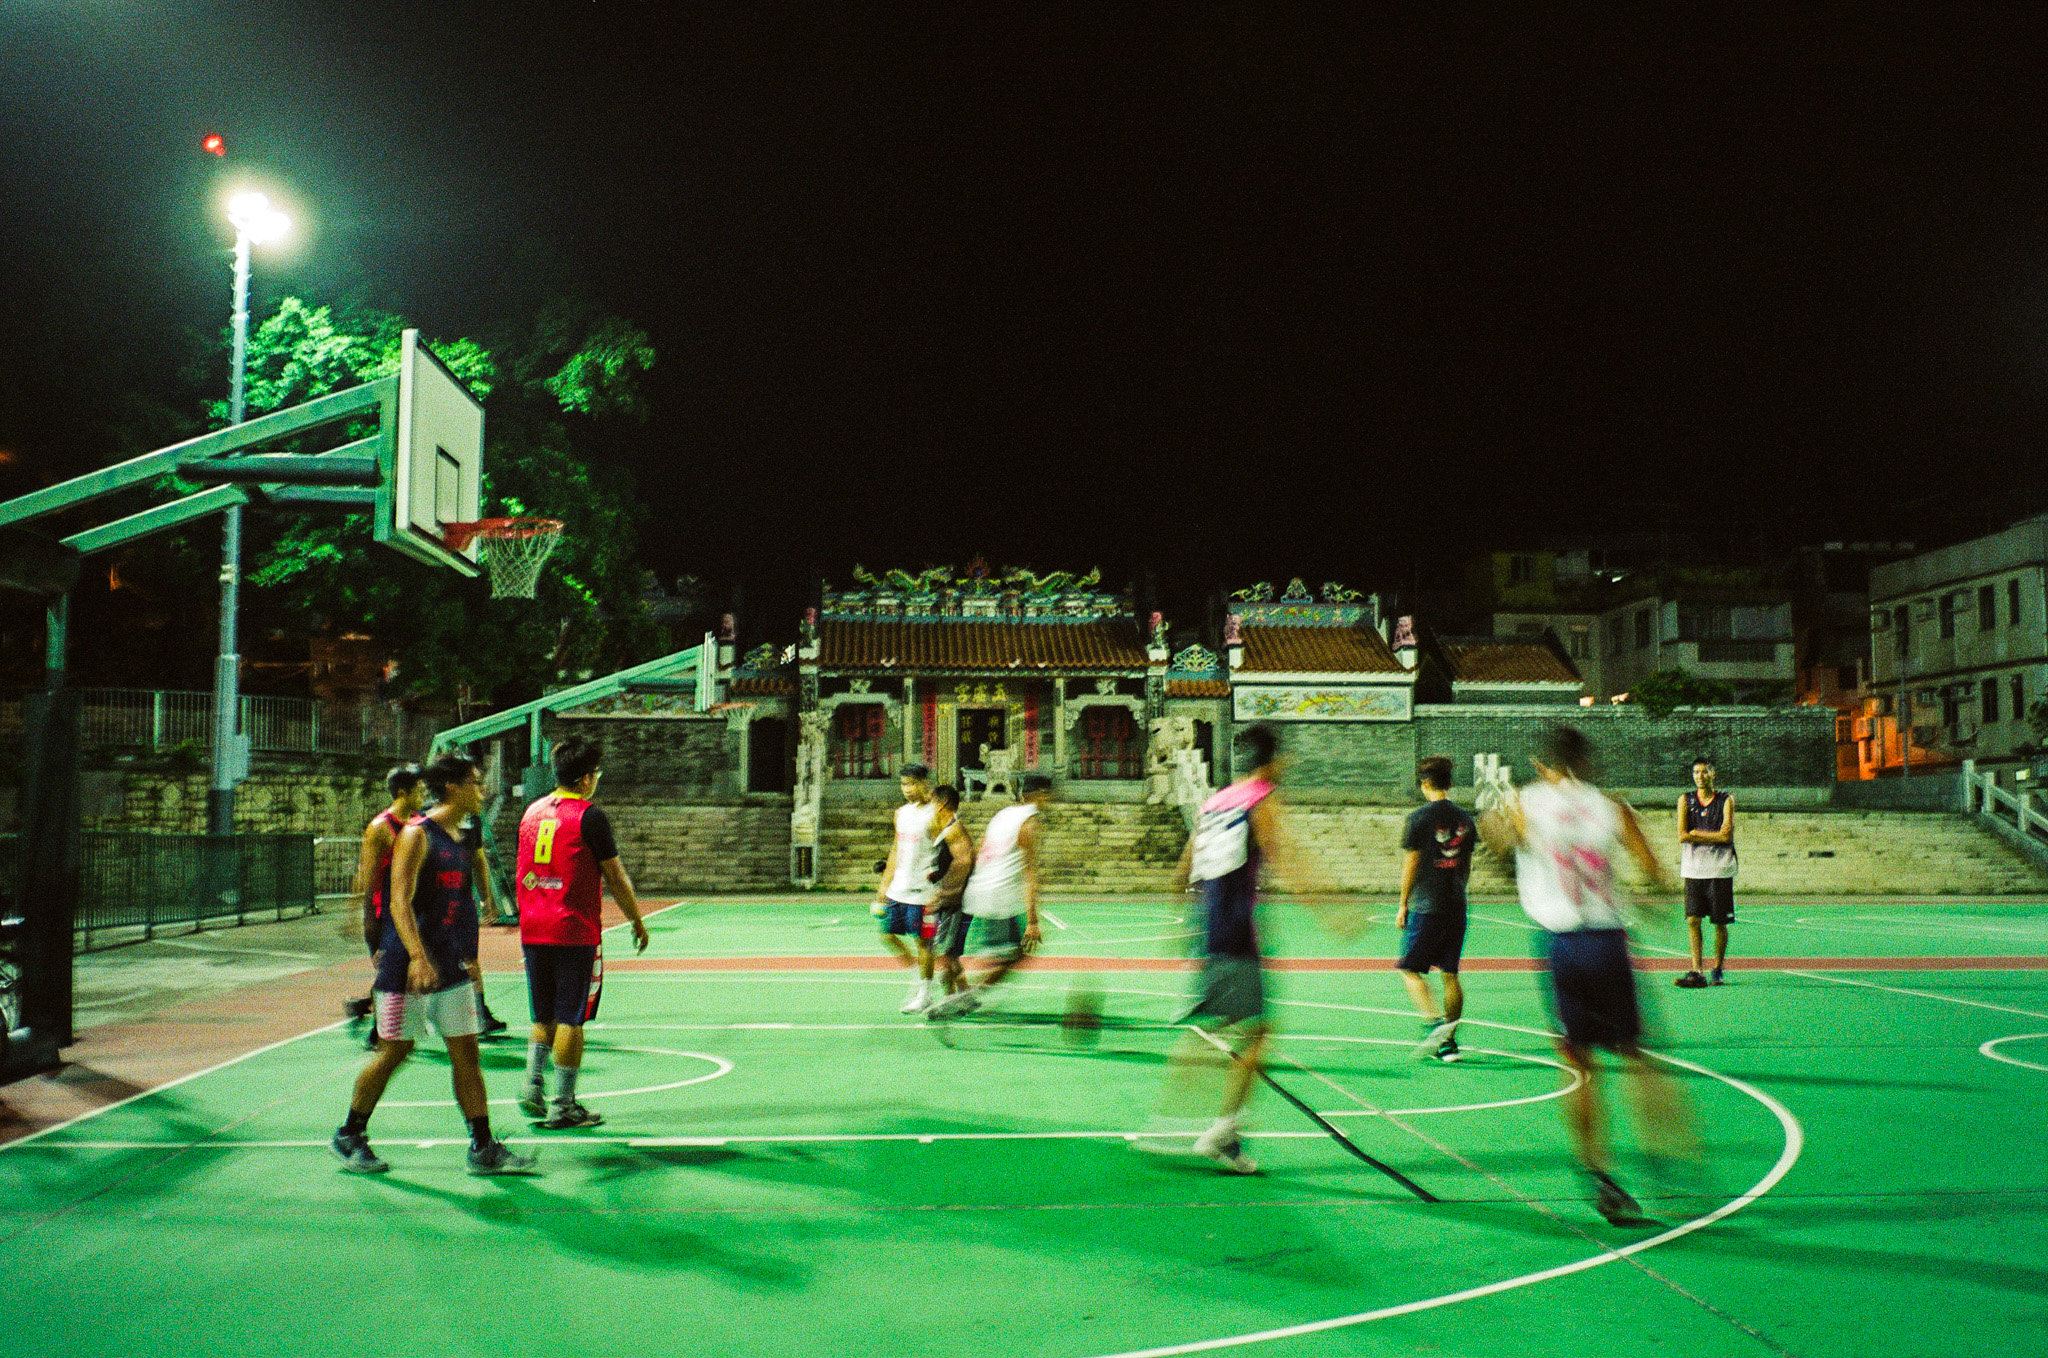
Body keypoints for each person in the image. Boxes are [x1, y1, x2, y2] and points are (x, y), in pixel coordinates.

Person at [1479, 725, 1691, 1223]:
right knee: (1637, 1057)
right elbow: (1656, 874)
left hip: (1562, 941)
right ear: (1586, 762)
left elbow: (1496, 841)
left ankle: (1599, 1174)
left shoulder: (1524, 803)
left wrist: (1504, 834)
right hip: (1608, 936)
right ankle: (1668, 1157)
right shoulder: (1611, 806)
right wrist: (1642, 897)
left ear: (1542, 764)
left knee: (1580, 1065)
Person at [1159, 724, 1352, 1175]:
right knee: (1258, 1030)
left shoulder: (1216, 801)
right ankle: (1223, 1132)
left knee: (1216, 1027)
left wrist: (1182, 916)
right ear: (1275, 761)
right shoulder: (1260, 799)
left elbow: (1186, 863)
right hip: (1237, 930)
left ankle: (1176, 1126)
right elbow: (1284, 858)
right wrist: (1329, 908)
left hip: (1213, 926)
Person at [330, 753, 536, 1176]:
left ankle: (482, 1146)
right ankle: (349, 1134)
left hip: (447, 963)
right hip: (407, 966)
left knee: (467, 1052)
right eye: (476, 783)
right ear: (455, 788)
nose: (482, 791)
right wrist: (417, 957)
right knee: (395, 1052)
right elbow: (398, 901)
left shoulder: (461, 837)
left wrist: (467, 940)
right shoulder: (416, 835)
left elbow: (453, 902)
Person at [514, 736, 652, 1130]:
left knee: (542, 1014)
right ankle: (564, 1103)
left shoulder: (531, 813)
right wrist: (637, 919)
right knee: (572, 1018)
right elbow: (616, 875)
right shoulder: (589, 816)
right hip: (572, 928)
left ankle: (531, 1086)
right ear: (587, 777)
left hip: (534, 926)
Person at [927, 774, 1051, 1019]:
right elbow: (1030, 874)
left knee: (998, 955)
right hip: (998, 897)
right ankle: (963, 997)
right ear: (1038, 795)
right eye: (1047, 795)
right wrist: (1033, 920)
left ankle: (963, 993)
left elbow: (981, 850)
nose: (1048, 800)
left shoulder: (1004, 814)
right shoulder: (1029, 823)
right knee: (1013, 956)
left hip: (980, 890)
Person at [1395, 755, 1475, 1063]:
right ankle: (1449, 1043)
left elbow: (1412, 862)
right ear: (1449, 781)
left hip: (1426, 906)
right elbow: (1466, 864)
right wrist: (1457, 889)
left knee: (1409, 969)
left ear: (1425, 783)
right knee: (1450, 974)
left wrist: (1403, 903)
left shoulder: (1418, 818)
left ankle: (1433, 1025)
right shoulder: (1465, 819)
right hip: (1455, 904)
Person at [344, 765, 425, 1049]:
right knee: (392, 974)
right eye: (419, 787)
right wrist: (359, 919)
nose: (424, 791)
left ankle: (366, 1009)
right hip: (383, 915)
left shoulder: (419, 825)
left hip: (411, 913)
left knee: (400, 975)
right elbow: (366, 879)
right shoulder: (380, 829)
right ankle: (378, 1033)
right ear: (402, 792)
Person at [875, 764, 942, 1013]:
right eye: (904, 784)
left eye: (913, 783)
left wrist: (941, 888)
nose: (908, 789)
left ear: (925, 783)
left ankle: (925, 993)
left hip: (923, 890)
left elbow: (947, 852)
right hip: (899, 888)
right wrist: (885, 884)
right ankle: (919, 974)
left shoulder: (936, 814)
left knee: (923, 943)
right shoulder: (901, 813)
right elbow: (896, 849)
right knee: (886, 935)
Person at [1674, 756, 1736, 988]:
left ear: (1713, 774)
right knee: (1692, 919)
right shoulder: (1685, 800)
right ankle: (1697, 969)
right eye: (1696, 772)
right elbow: (1682, 835)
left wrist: (1695, 834)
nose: (1700, 776)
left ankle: (1717, 969)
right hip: (1693, 869)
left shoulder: (1726, 800)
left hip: (1719, 869)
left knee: (1719, 922)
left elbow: (1726, 836)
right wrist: (1713, 835)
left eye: (1704, 772)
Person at [923, 785, 976, 1004]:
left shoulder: (954, 829)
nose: (929, 807)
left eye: (931, 801)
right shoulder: (948, 830)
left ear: (942, 804)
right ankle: (963, 995)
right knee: (948, 953)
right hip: (953, 900)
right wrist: (937, 875)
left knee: (943, 952)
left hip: (955, 903)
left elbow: (964, 862)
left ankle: (952, 996)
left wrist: (944, 893)